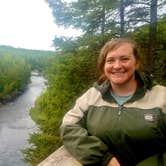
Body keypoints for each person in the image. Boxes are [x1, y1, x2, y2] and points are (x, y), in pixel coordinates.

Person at [60, 38, 166, 166]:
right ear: (103, 66)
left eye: (124, 59)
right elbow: (68, 128)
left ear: (136, 63)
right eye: (110, 60)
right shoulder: (92, 96)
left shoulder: (161, 96)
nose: (117, 66)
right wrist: (103, 158)